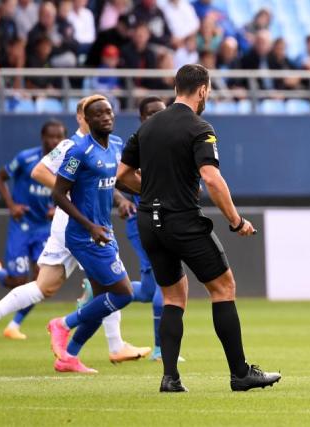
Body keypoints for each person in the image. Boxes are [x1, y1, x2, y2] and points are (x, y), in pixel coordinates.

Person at [117, 64, 282, 392]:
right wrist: (236, 221)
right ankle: (240, 374)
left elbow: (122, 175)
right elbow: (211, 178)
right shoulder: (199, 127)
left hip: (149, 221)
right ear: (203, 90)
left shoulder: (147, 128)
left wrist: (154, 192)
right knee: (223, 288)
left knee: (173, 296)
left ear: (176, 87)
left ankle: (170, 377)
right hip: (182, 220)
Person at [0, 98, 149, 364]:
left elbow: (108, 179)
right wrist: (72, 192)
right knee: (111, 286)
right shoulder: (70, 146)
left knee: (50, 287)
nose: (104, 116)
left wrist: (122, 198)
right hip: (74, 224)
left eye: (108, 111)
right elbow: (38, 171)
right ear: (81, 117)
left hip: (88, 223)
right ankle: (101, 341)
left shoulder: (110, 144)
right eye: (93, 112)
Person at [45, 95, 136, 374]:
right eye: (98, 114)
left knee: (102, 302)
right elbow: (58, 194)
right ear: (86, 120)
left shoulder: (117, 145)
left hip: (104, 231)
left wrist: (151, 191)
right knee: (124, 294)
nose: (105, 117)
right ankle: (62, 324)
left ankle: (68, 357)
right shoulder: (78, 151)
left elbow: (121, 181)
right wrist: (89, 226)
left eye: (108, 112)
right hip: (85, 235)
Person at [0, 120, 64, 340]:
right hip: (23, 225)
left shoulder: (65, 163)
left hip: (45, 229)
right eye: (51, 137)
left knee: (41, 281)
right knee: (17, 280)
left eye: (59, 137)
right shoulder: (26, 158)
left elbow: (69, 190)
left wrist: (58, 208)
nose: (55, 141)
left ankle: (14, 325)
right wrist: (11, 205)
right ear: (42, 138)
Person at [121, 96, 172, 361]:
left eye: (160, 112)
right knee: (166, 283)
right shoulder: (136, 144)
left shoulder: (169, 141)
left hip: (166, 218)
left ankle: (100, 290)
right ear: (141, 118)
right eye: (150, 113)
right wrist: (123, 200)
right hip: (145, 223)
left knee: (148, 291)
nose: (156, 117)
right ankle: (161, 349)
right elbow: (116, 177)